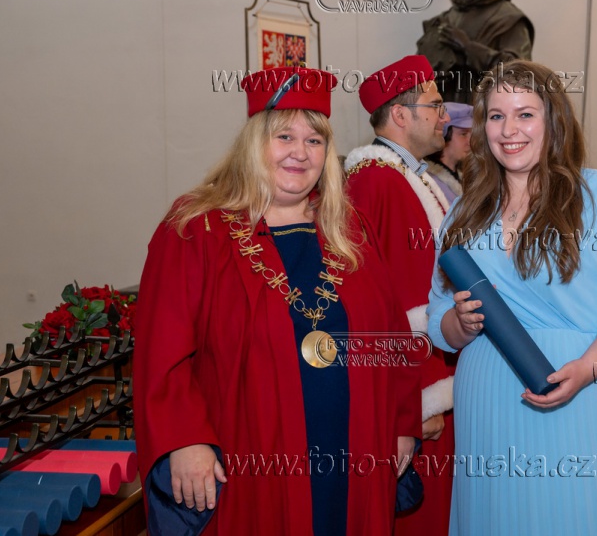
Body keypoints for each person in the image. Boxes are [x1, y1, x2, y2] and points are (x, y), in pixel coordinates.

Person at [134, 66, 422, 536]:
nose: (300, 152)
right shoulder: (197, 230)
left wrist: (403, 423)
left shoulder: (351, 230)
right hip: (252, 458)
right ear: (253, 143)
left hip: (358, 454)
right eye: (284, 136)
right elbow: (161, 352)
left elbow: (391, 337)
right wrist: (183, 440)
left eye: (314, 140)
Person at [427, 60, 597, 535]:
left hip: (590, 394)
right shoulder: (465, 210)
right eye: (496, 116)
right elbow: (439, 309)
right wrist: (459, 323)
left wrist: (587, 368)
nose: (509, 130)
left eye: (525, 114)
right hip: (490, 400)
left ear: (553, 120)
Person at [344, 55, 456, 536]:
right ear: (401, 115)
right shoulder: (377, 182)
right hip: (417, 388)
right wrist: (414, 404)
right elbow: (385, 309)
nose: (445, 116)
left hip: (432, 375)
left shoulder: (413, 177)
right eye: (435, 105)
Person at [416, 0, 534, 103]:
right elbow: (420, 77)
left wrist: (468, 47)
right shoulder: (444, 20)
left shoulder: (508, 18)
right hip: (441, 116)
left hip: (486, 114)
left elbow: (520, 75)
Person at [426, 102, 473, 204]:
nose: (470, 142)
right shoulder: (430, 182)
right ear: (444, 136)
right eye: (463, 134)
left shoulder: (463, 179)